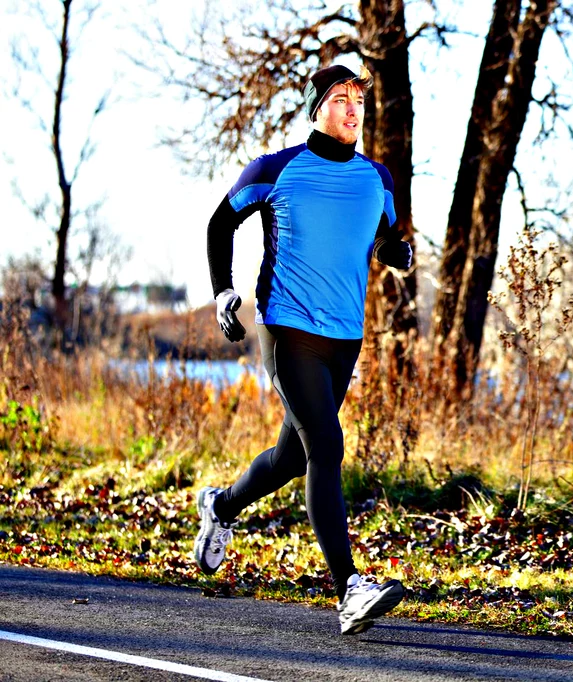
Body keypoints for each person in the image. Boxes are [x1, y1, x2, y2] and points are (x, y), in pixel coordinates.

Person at [194, 64, 413, 635]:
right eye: (340, 98)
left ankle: (221, 507)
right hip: (288, 330)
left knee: (293, 458)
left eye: (359, 100)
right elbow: (221, 225)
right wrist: (224, 290)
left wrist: (398, 253)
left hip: (345, 338)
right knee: (328, 447)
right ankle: (350, 590)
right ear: (317, 108)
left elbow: (384, 236)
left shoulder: (378, 180)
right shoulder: (277, 169)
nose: (352, 108)